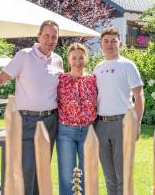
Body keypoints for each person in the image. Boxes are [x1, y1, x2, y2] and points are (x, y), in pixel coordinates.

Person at [0, 20, 63, 195]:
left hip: (51, 121)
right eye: (46, 36)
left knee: (42, 171)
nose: (50, 40)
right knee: (27, 170)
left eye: (54, 37)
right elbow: (0, 78)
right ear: (39, 36)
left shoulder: (58, 60)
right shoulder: (24, 55)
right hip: (27, 121)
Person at [93, 27, 145, 195]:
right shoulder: (97, 68)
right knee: (109, 176)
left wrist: (136, 125)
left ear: (120, 44)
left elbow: (139, 96)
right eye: (106, 41)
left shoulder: (127, 65)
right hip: (100, 125)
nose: (110, 45)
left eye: (113, 41)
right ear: (101, 45)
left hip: (123, 123)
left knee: (123, 175)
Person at [57, 43, 97, 195]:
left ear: (86, 59)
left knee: (87, 172)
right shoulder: (61, 79)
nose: (78, 62)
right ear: (68, 59)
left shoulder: (93, 79)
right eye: (74, 58)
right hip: (66, 131)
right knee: (67, 174)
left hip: (88, 131)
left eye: (81, 58)